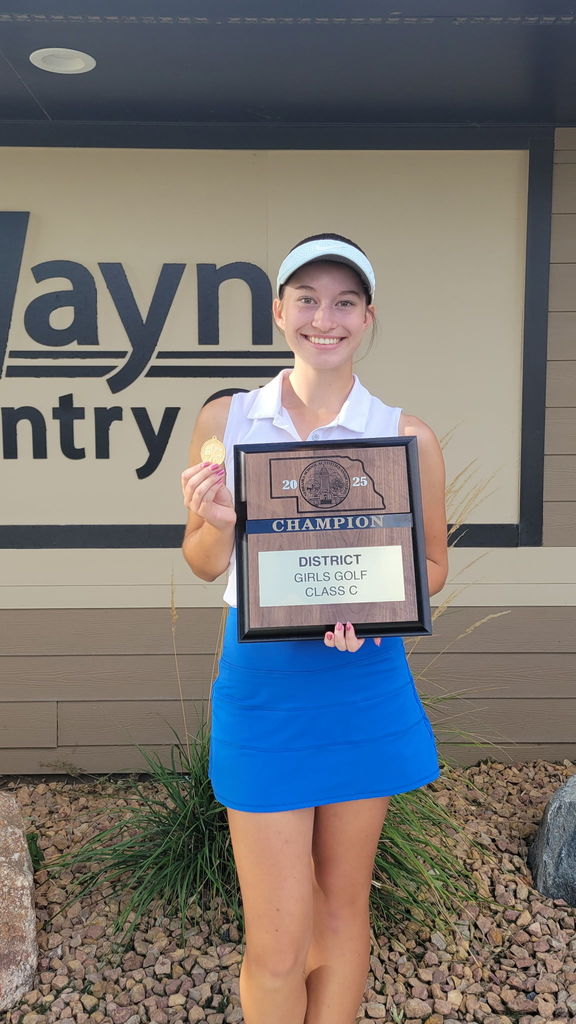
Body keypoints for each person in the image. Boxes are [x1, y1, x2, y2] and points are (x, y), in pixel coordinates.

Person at [181, 233, 448, 1024]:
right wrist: (217, 520)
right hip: (265, 690)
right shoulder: (226, 419)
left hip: (362, 679)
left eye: (343, 302)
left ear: (367, 317)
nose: (323, 318)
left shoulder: (407, 436)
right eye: (306, 299)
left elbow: (430, 567)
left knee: (341, 914)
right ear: (278, 311)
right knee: (276, 944)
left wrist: (371, 612)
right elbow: (202, 563)